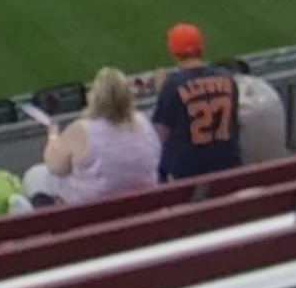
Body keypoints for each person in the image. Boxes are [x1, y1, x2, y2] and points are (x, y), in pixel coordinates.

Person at [22, 68, 159, 206]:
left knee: (33, 176)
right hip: (144, 204)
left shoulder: (82, 129)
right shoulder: (143, 122)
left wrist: (53, 138)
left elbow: (55, 166)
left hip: (92, 210)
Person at [151, 24, 242, 180]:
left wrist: (161, 91)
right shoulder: (227, 78)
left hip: (189, 174)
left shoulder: (172, 86)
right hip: (229, 167)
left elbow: (159, 136)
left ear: (173, 51)